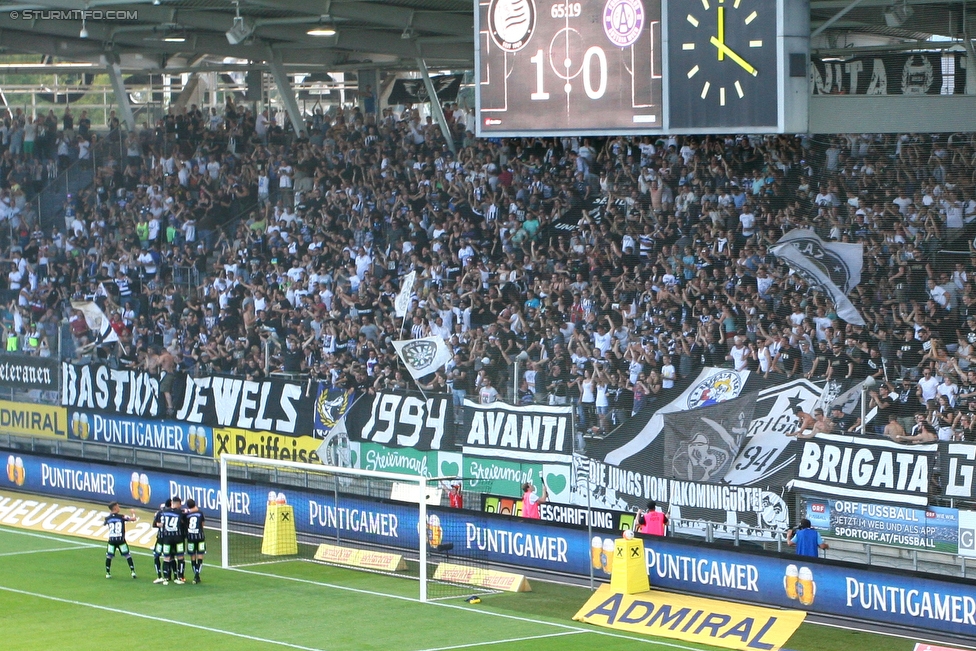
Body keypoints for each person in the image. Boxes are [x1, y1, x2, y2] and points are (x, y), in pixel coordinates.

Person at [155, 495, 186, 585]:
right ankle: (179, 577)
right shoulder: (180, 512)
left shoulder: (163, 511)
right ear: (179, 504)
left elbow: (158, 524)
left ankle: (165, 578)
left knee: (166, 558)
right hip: (178, 538)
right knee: (180, 557)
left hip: (166, 538)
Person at [103, 501, 138, 579]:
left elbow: (105, 523)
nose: (119, 508)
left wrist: (110, 515)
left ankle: (108, 573)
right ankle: (132, 572)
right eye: (118, 506)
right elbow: (133, 519)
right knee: (127, 555)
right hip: (120, 540)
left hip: (111, 540)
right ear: (115, 508)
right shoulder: (121, 516)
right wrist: (133, 513)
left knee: (109, 556)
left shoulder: (108, 518)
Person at [184, 498, 206, 584]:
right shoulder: (200, 513)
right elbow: (202, 525)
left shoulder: (187, 515)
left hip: (190, 537)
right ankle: (197, 576)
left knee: (192, 556)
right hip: (200, 537)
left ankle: (196, 575)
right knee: (200, 555)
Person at [151, 499, 170, 583]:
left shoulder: (159, 513)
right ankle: (167, 577)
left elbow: (156, 524)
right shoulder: (173, 513)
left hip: (161, 538)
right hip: (168, 538)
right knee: (168, 557)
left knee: (157, 555)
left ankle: (160, 576)